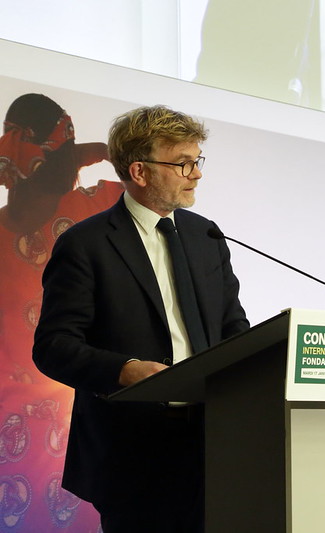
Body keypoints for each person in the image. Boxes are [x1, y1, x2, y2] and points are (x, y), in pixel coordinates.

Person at [32, 105, 250, 533]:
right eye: (183, 163)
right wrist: (125, 370)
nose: (196, 174)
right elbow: (53, 346)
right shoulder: (85, 244)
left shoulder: (206, 236)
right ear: (140, 171)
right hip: (132, 449)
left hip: (212, 445)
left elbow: (233, 329)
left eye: (196, 161)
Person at [0, 93, 124, 531]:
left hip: (82, 421)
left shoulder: (97, 205)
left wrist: (108, 154)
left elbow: (154, 195)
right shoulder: (96, 205)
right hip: (15, 437)